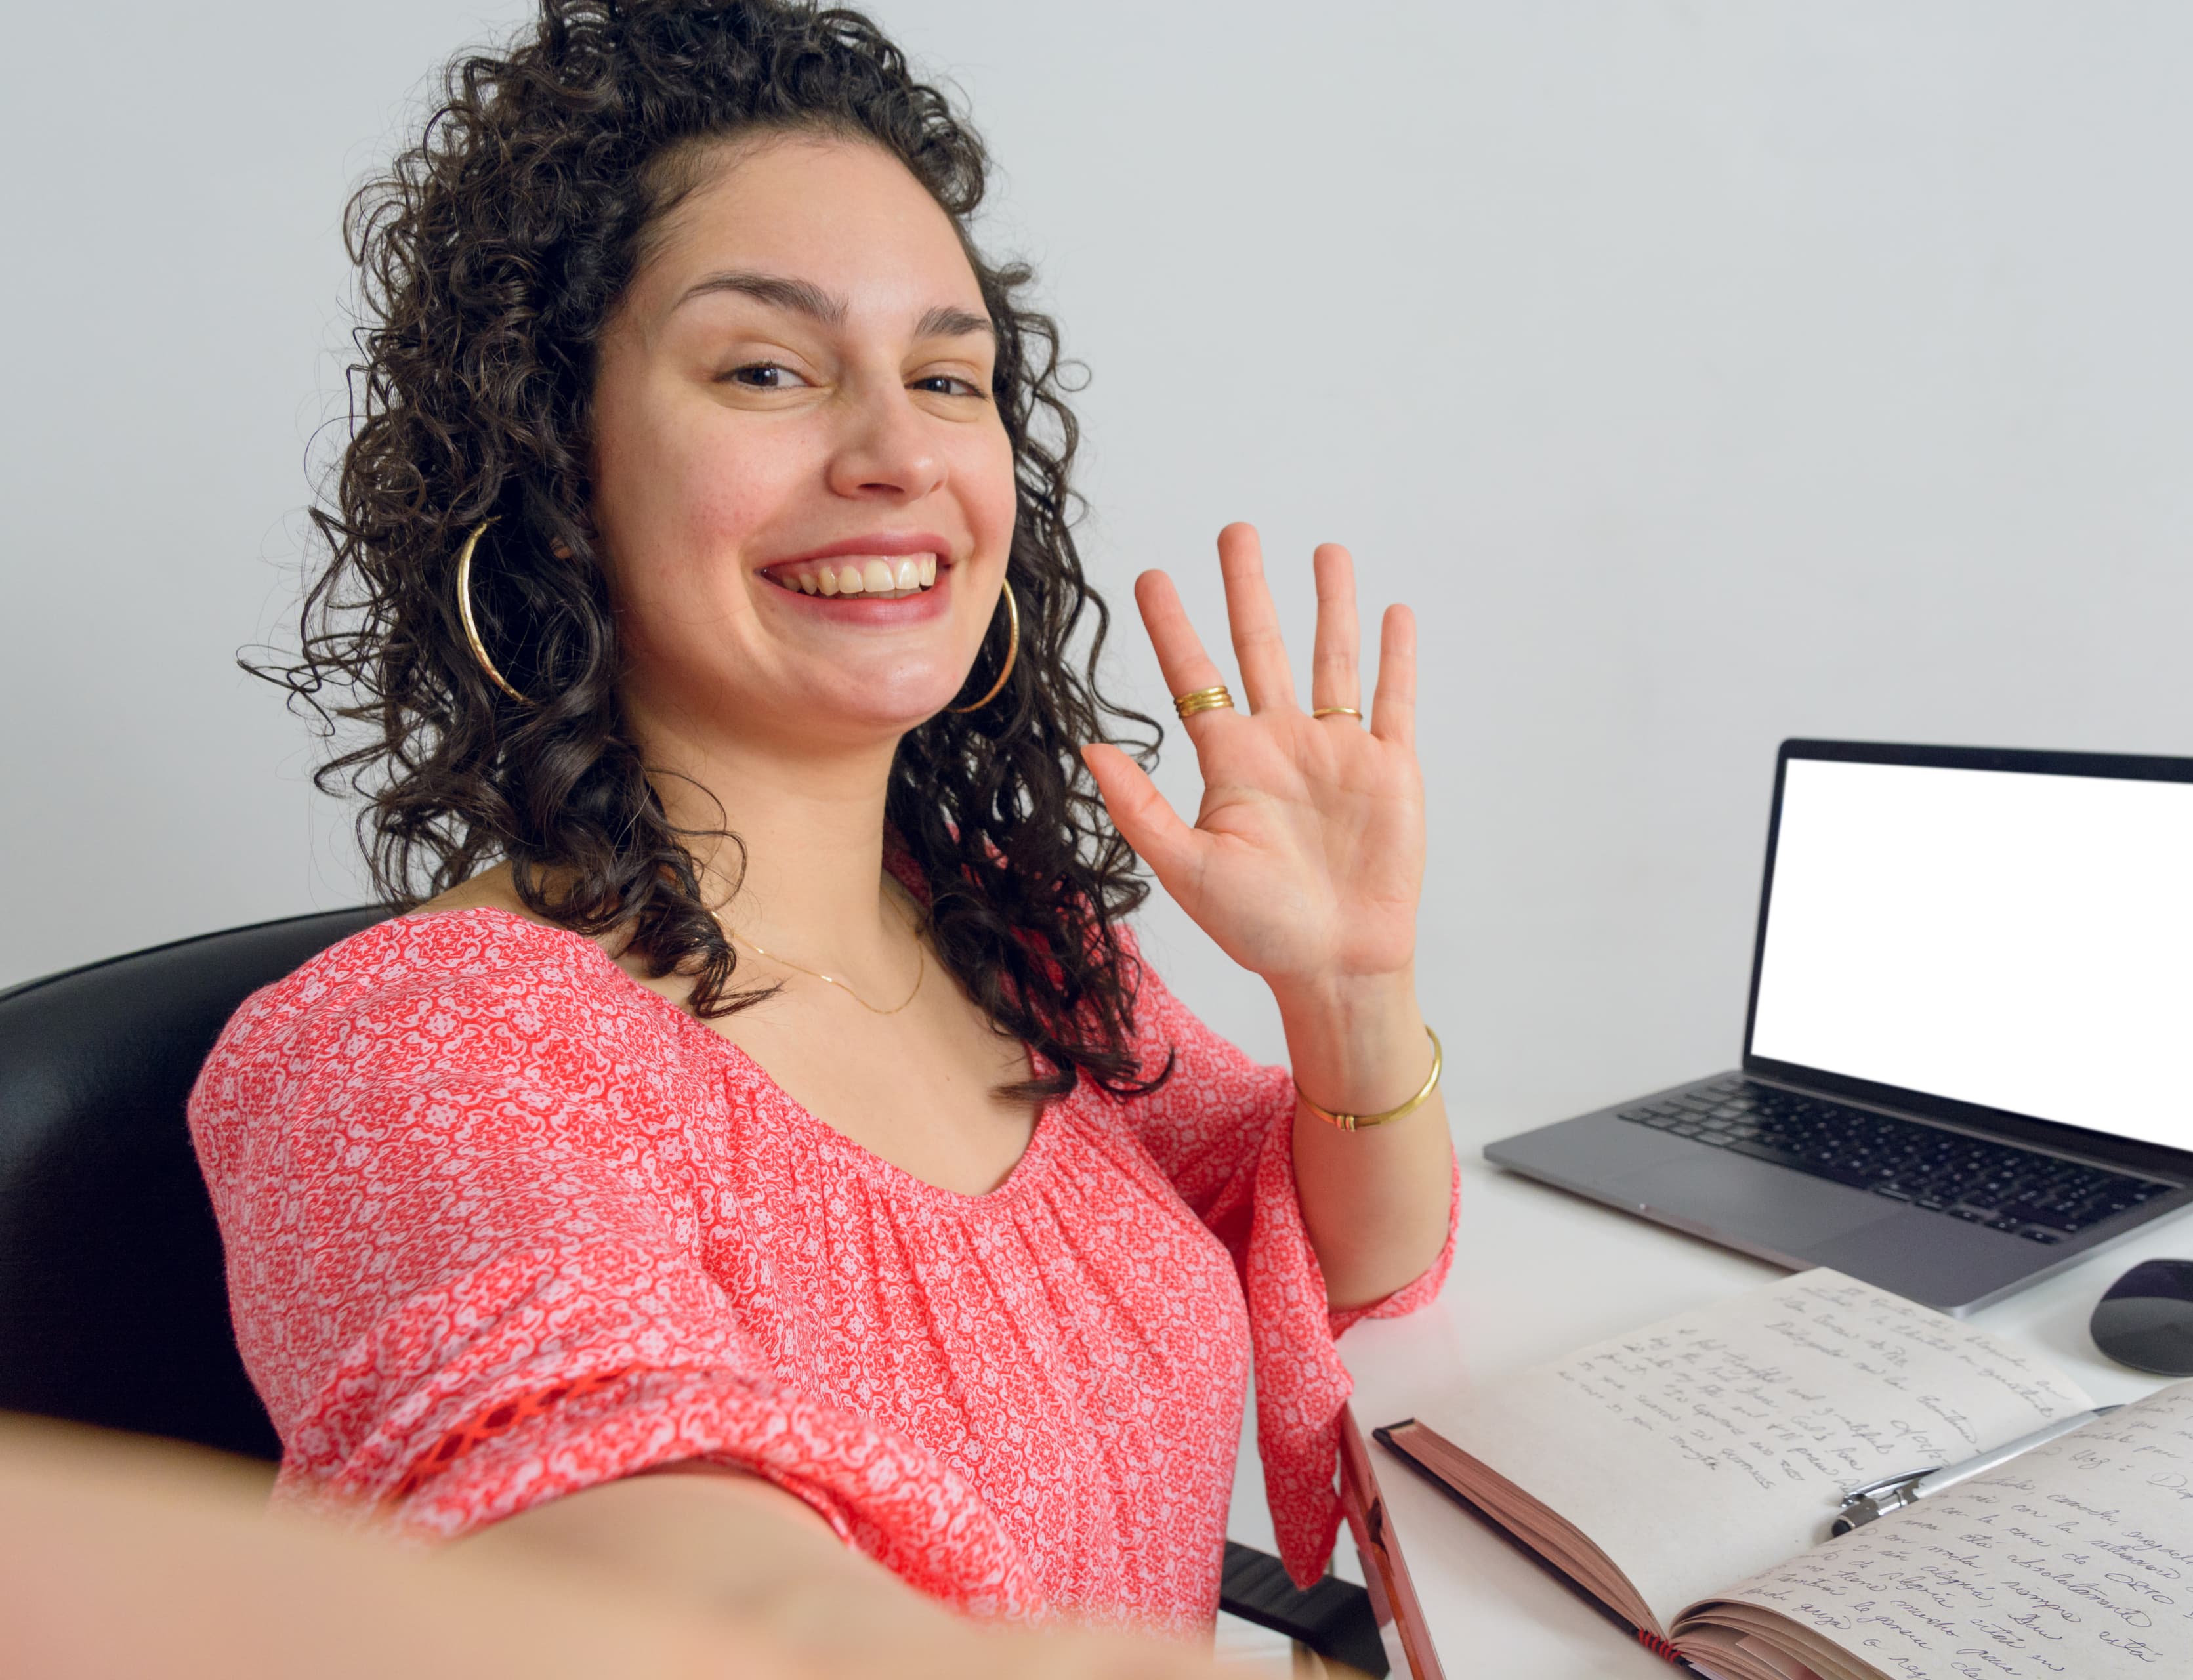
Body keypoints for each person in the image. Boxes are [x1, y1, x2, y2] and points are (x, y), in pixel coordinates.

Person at [187, 1, 1455, 1671]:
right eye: (769, 370)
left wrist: (1352, 986)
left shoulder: (1020, 936)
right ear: (555, 456)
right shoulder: (423, 1052)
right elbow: (588, 1526)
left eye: (948, 376)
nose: (900, 452)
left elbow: (1338, 1244)